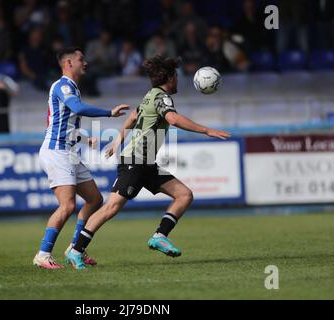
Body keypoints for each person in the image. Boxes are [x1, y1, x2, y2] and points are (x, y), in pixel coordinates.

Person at [66, 55, 231, 269]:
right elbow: (173, 119)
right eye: (176, 77)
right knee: (111, 207)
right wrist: (207, 130)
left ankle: (159, 236)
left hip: (146, 163)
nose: (178, 81)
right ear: (170, 78)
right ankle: (76, 249)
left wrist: (118, 141)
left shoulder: (150, 95)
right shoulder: (161, 97)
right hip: (135, 161)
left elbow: (133, 116)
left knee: (184, 195)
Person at [33, 47, 130, 269]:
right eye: (80, 59)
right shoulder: (63, 86)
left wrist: (85, 139)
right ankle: (43, 254)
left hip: (69, 151)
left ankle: (74, 247)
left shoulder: (72, 88)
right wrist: (109, 112)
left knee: (95, 199)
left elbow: (59, 123)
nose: (85, 62)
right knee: (67, 206)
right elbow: (76, 108)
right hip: (57, 152)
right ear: (68, 62)